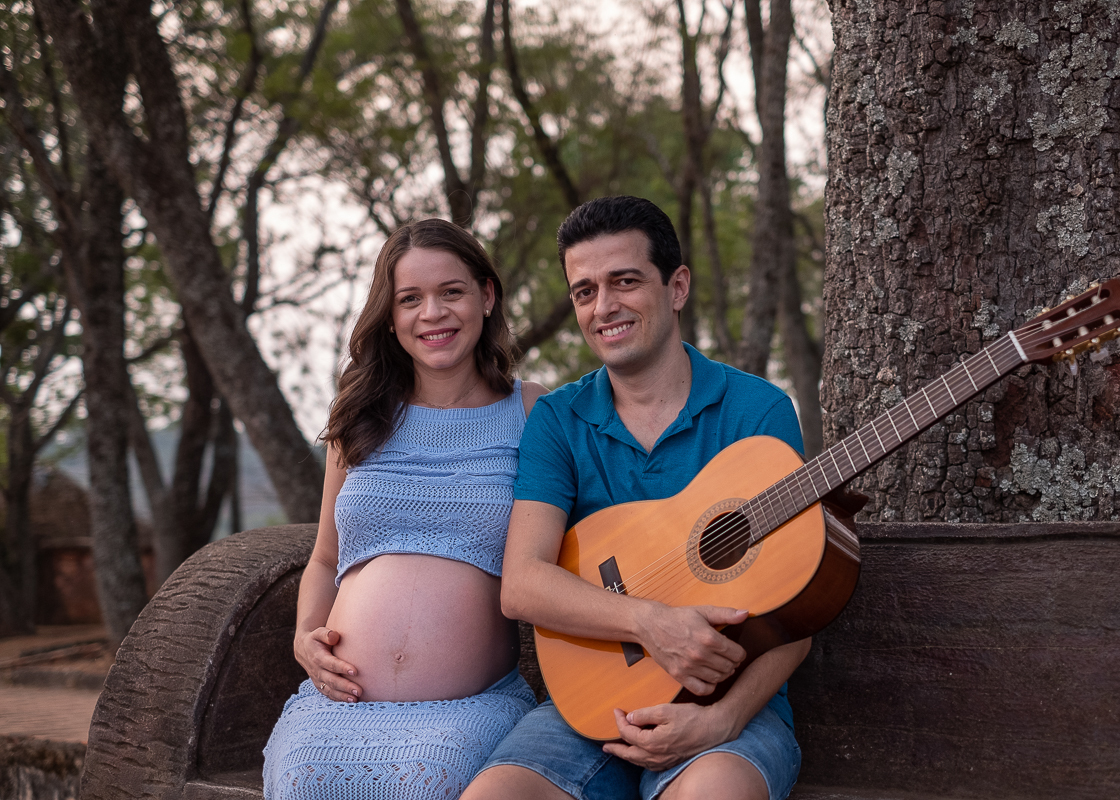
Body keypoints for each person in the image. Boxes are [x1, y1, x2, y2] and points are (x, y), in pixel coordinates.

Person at [463, 196, 810, 800]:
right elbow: (522, 584)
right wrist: (650, 624)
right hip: (589, 702)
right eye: (585, 291)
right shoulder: (559, 420)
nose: (604, 307)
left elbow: (801, 608)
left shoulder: (758, 413)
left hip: (730, 707)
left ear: (677, 287)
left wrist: (722, 720)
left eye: (624, 281)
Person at [263, 219, 545, 800]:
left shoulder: (533, 411)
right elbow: (324, 559)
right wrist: (304, 636)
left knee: (430, 779)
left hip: (468, 706)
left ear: (486, 296)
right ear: (390, 317)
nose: (432, 313)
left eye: (451, 292)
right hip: (338, 705)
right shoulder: (358, 416)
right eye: (410, 299)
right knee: (300, 780)